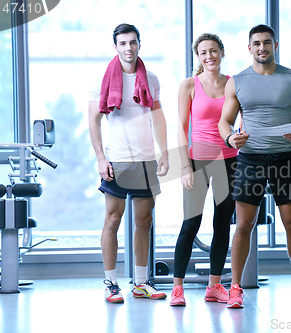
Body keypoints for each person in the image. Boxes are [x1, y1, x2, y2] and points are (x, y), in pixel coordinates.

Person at [218, 24, 291, 309]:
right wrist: (230, 137)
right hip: (250, 158)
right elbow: (224, 120)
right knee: (244, 225)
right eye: (256, 43)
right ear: (249, 48)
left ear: (276, 45)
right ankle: (235, 287)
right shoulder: (237, 81)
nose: (262, 47)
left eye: (267, 42)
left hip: (283, 158)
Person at [88, 23, 169, 303]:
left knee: (144, 221)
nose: (128, 48)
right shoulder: (102, 80)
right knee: (112, 219)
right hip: (117, 159)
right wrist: (101, 158)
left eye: (132, 42)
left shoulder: (152, 79)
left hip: (146, 159)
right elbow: (93, 121)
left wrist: (165, 153)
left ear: (139, 44)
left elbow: (158, 118)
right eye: (123, 43)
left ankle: (141, 282)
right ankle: (111, 283)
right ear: (116, 47)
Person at [170, 33, 238, 306]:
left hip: (230, 160)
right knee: (191, 223)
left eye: (213, 50)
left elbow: (241, 121)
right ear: (198, 57)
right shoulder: (188, 85)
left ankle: (214, 286)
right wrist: (184, 166)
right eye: (203, 52)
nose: (209, 56)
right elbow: (182, 128)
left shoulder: (234, 84)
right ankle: (177, 288)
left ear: (222, 52)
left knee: (222, 224)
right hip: (197, 161)